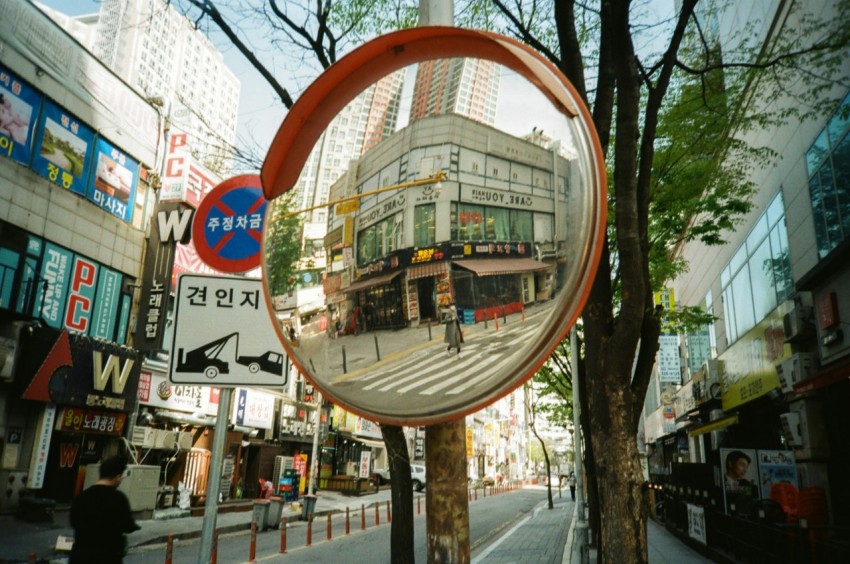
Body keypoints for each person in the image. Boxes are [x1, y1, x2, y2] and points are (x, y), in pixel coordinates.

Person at [70, 456, 140, 564]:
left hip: (80, 556)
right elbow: (128, 525)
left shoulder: (82, 496)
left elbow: (73, 522)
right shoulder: (118, 498)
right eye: (121, 477)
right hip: (107, 556)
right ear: (117, 477)